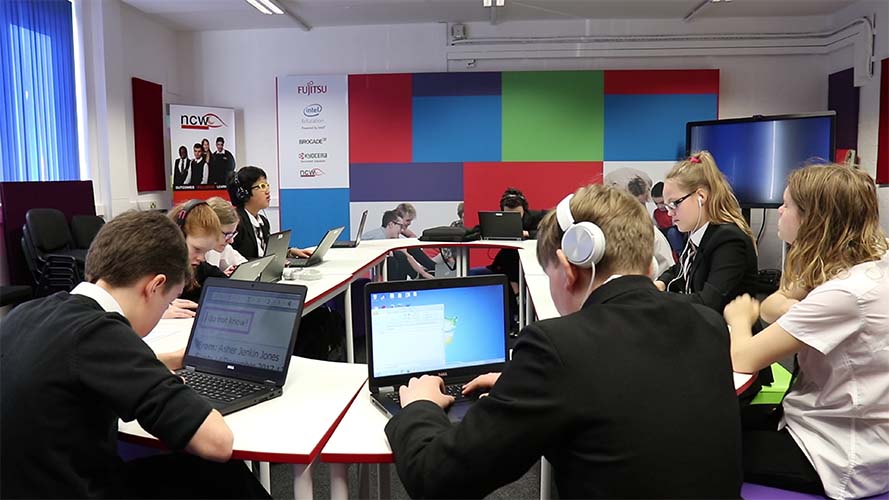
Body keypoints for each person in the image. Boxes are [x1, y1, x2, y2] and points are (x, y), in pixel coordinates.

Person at [384, 184, 742, 498]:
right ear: (648, 266)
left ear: (568, 268)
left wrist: (420, 406)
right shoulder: (708, 324)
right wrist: (522, 388)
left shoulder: (556, 348)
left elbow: (436, 479)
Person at [0, 211, 268, 499]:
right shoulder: (101, 333)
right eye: (166, 303)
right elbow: (217, 442)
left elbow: (85, 365)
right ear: (153, 287)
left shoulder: (30, 311)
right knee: (223, 473)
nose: (163, 310)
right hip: (79, 489)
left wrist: (171, 359)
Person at [723, 164, 889, 500]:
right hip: (836, 424)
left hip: (836, 453)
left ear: (812, 218)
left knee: (700, 445)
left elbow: (743, 356)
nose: (779, 211)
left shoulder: (844, 293)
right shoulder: (864, 267)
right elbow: (773, 305)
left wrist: (739, 318)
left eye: (786, 205)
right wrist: (792, 310)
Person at [655, 151, 758, 312]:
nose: (669, 213)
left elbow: (709, 302)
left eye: (674, 204)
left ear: (701, 196)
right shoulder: (697, 233)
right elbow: (680, 269)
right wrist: (661, 283)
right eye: (667, 206)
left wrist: (654, 298)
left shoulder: (729, 240)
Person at [225, 166, 311, 261]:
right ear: (244, 193)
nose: (267, 191)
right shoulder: (236, 223)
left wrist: (290, 252)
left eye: (267, 185)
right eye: (262, 186)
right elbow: (235, 259)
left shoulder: (263, 221)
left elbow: (267, 251)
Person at [163, 199, 226, 317]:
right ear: (177, 237)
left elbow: (225, 285)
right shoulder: (147, 268)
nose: (201, 258)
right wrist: (159, 308)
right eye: (197, 249)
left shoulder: (200, 269)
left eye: (206, 252)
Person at [363, 210, 433, 279]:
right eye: (400, 226)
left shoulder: (386, 236)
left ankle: (432, 269)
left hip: (378, 261)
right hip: (365, 262)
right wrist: (424, 274)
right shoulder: (380, 238)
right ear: (391, 225)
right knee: (398, 257)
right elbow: (406, 256)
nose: (402, 230)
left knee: (405, 252)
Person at [204, 196, 247, 275]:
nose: (231, 240)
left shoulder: (222, 248)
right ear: (208, 228)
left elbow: (246, 266)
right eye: (227, 234)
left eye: (233, 234)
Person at [651, 181, 685, 254]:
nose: (659, 206)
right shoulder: (656, 213)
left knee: (672, 232)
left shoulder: (674, 208)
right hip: (665, 237)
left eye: (662, 203)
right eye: (656, 203)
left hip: (677, 235)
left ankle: (681, 253)